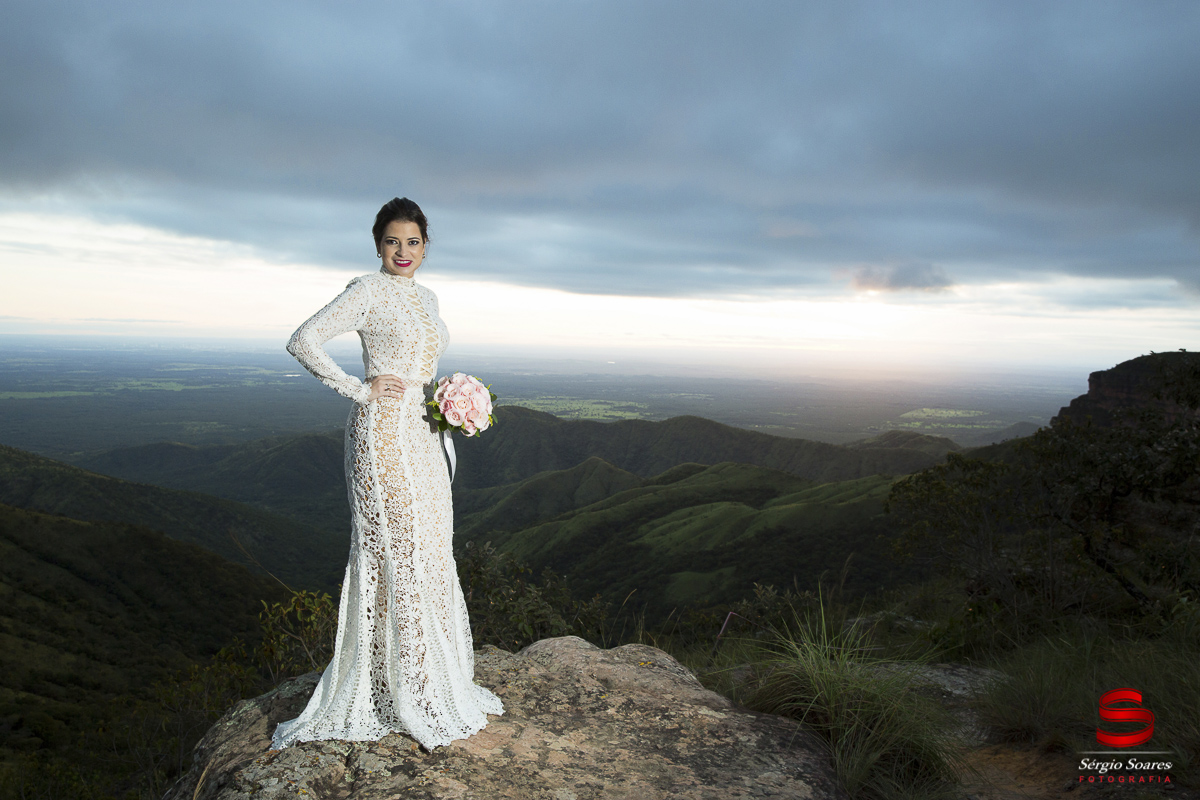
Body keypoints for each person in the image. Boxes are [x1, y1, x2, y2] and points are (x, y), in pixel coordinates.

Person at [271, 197, 503, 751]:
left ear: (426, 246)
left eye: (414, 242)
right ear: (378, 244)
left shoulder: (428, 296)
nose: (404, 251)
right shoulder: (367, 291)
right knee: (397, 548)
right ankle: (387, 689)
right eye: (394, 241)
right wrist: (360, 388)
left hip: (424, 434)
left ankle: (427, 678)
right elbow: (302, 339)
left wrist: (450, 405)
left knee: (430, 547)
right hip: (380, 434)